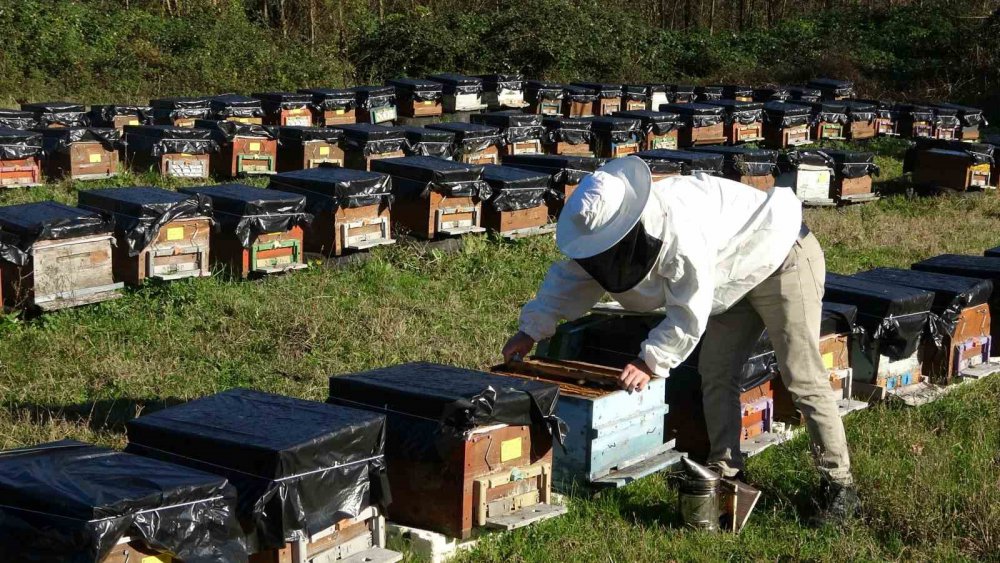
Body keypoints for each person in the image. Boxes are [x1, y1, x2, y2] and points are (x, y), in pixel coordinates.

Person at [502, 156, 858, 523]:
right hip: (732, 276)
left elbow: (690, 308)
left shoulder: (677, 226)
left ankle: (839, 485)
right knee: (716, 373)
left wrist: (650, 361)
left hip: (782, 255)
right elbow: (573, 278)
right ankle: (726, 469)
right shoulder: (608, 232)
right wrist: (531, 329)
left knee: (801, 375)